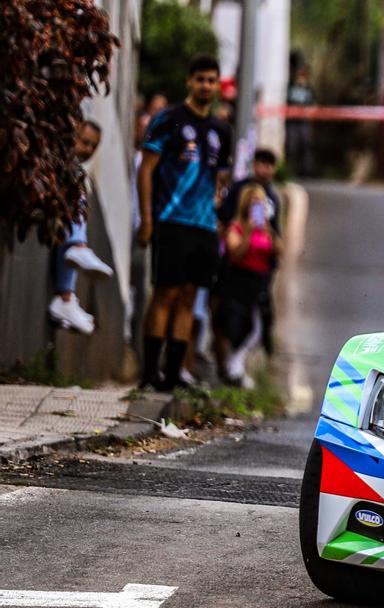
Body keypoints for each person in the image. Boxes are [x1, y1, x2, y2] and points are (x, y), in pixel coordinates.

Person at [136, 55, 232, 391]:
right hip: (170, 220)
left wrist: (220, 216)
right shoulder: (168, 119)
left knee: (190, 298)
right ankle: (149, 374)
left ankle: (173, 374)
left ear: (217, 85)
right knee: (165, 294)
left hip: (204, 227)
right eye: (200, 79)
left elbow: (221, 180)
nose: (206, 85)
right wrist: (146, 218)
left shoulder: (222, 130)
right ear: (189, 82)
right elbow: (146, 169)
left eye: (211, 80)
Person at [49, 120, 114, 334]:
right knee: (77, 195)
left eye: (93, 146)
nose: (88, 150)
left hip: (59, 225)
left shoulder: (76, 171)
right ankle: (78, 249)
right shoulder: (57, 161)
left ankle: (66, 299)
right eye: (84, 142)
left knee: (78, 192)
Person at [218, 147, 282, 355]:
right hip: (237, 269)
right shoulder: (239, 189)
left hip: (261, 270)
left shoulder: (272, 198)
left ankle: (248, 358)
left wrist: (267, 230)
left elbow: (278, 240)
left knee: (258, 319)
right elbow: (225, 221)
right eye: (262, 164)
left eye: (270, 165)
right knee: (230, 318)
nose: (265, 170)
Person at [212, 184, 277, 386]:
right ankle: (230, 369)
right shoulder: (237, 227)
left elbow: (277, 249)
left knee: (256, 327)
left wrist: (268, 229)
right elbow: (235, 253)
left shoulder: (265, 228)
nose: (257, 207)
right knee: (233, 324)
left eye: (261, 203)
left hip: (258, 282)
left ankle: (236, 366)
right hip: (238, 280)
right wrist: (248, 232)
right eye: (253, 203)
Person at [286, 65, 316, 176]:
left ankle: (307, 171)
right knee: (291, 147)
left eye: (303, 76)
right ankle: (289, 171)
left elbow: (314, 105)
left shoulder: (309, 89)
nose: (301, 78)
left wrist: (308, 112)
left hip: (304, 123)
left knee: (306, 146)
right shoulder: (290, 88)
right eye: (299, 75)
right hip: (292, 123)